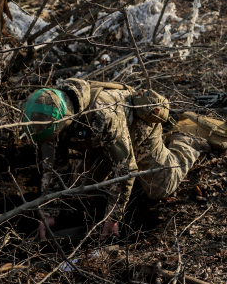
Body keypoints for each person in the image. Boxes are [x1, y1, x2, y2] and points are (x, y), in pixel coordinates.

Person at [21, 79, 207, 240]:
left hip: (137, 131)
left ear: (65, 121)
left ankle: (186, 141)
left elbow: (126, 169)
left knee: (160, 188)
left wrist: (113, 217)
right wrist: (48, 213)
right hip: (98, 142)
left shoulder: (103, 115)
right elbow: (53, 166)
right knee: (82, 189)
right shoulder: (47, 114)